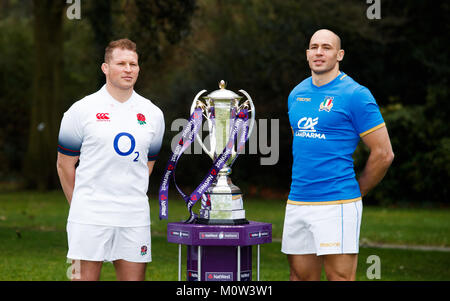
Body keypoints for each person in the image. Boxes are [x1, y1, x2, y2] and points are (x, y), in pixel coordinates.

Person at [281, 29, 394, 281]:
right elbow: (303, 143)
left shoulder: (356, 95)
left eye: (327, 47)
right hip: (298, 200)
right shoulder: (296, 95)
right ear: (307, 53)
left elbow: (384, 153)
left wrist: (357, 191)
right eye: (314, 47)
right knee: (299, 277)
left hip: (337, 203)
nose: (319, 52)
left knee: (339, 278)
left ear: (339, 54)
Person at [56, 39, 165, 281]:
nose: (128, 69)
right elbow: (64, 165)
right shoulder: (81, 110)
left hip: (133, 216)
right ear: (105, 68)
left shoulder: (153, 114)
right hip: (89, 215)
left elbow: (147, 164)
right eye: (121, 63)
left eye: (133, 64)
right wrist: (81, 206)